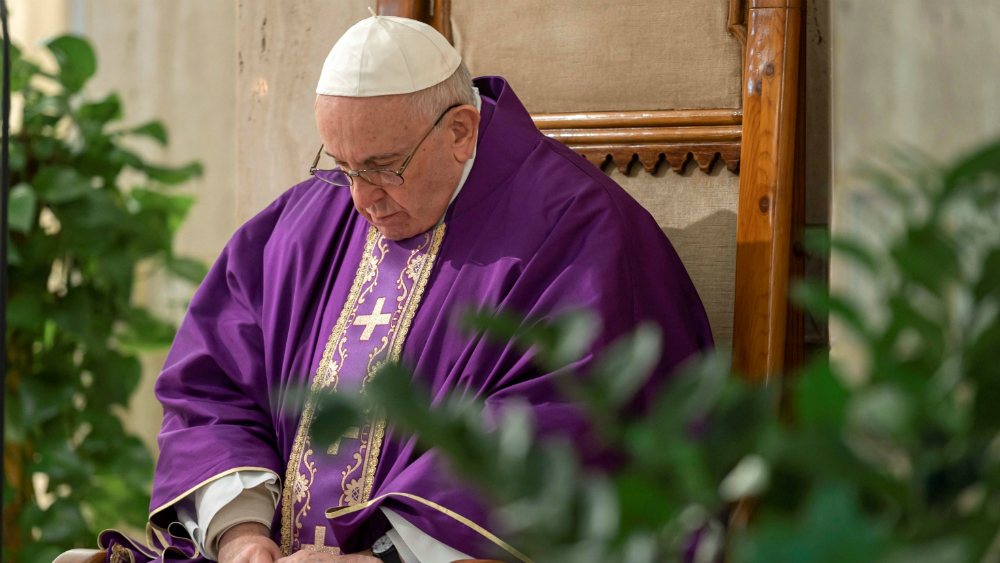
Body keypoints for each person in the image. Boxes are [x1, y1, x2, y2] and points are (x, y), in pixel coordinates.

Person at [95, 10, 712, 563]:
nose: (361, 200)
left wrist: (383, 559)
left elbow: (570, 427)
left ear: (461, 131)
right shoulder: (307, 221)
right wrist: (242, 536)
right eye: (342, 166)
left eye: (384, 167)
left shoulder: (581, 231)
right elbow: (213, 388)